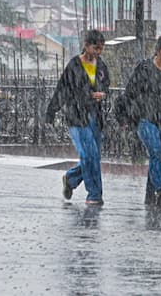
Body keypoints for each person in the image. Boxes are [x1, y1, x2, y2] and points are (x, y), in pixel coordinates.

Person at [45, 30, 110, 206]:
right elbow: (63, 89)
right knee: (89, 154)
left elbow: (106, 85)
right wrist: (52, 111)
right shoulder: (74, 65)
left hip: (95, 116)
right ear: (86, 45)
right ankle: (94, 194)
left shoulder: (101, 66)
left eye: (101, 49)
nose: (98, 52)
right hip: (77, 117)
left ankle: (71, 178)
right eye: (96, 48)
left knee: (93, 156)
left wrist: (102, 94)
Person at [124, 35, 161, 208]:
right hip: (146, 118)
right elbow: (130, 91)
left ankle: (150, 197)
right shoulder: (144, 68)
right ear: (157, 50)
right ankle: (160, 189)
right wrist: (129, 116)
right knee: (156, 152)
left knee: (156, 157)